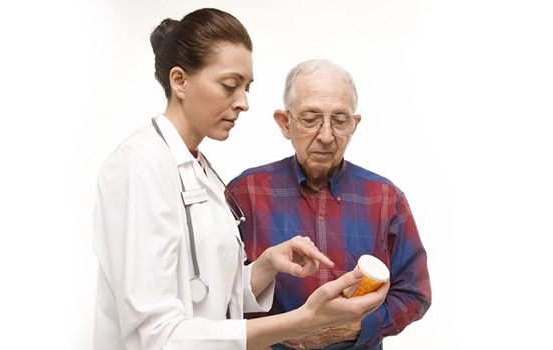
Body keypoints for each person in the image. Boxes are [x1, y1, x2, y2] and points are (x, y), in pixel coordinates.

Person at [92, 9, 389, 350]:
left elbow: (208, 295)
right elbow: (156, 335)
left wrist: (265, 265)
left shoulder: (202, 171)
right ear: (180, 81)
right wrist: (303, 320)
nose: (244, 103)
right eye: (230, 86)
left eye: (247, 88)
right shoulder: (139, 164)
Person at [227, 59, 432, 349]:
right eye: (311, 118)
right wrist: (282, 331)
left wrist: (352, 329)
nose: (326, 136)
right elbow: (220, 298)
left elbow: (415, 293)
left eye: (339, 120)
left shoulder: (386, 199)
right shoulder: (245, 193)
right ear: (285, 123)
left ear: (354, 125)